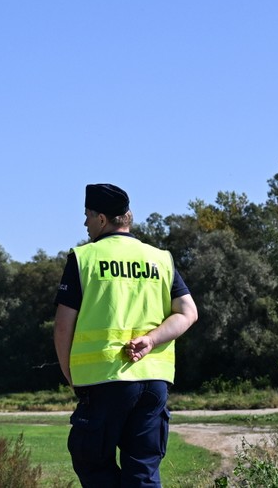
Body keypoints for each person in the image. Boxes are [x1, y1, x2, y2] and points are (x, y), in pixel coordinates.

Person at [53, 183, 198, 488]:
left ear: (102, 219)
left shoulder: (84, 258)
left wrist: (70, 374)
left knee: (92, 462)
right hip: (153, 382)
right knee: (142, 473)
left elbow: (64, 324)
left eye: (87, 216)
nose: (85, 223)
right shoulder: (160, 258)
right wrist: (153, 339)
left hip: (104, 379)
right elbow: (188, 313)